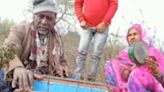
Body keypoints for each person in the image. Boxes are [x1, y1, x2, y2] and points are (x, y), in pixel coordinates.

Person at [2, 0, 70, 91]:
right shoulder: (21, 30)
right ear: (34, 17)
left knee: (75, 78)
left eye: (49, 18)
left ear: (54, 21)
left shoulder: (57, 39)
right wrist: (17, 67)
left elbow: (62, 60)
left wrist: (62, 67)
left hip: (46, 79)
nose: (44, 22)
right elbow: (8, 49)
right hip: (22, 78)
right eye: (40, 16)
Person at [105, 24, 164, 92]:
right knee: (110, 64)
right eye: (129, 35)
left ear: (141, 35)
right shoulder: (124, 54)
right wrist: (130, 70)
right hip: (129, 85)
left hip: (152, 86)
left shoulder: (154, 53)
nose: (132, 37)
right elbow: (123, 77)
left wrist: (158, 72)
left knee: (138, 73)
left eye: (135, 34)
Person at [72, 0, 118, 81]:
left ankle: (91, 78)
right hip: (86, 25)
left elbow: (114, 5)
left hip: (102, 27)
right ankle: (77, 77)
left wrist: (105, 22)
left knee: (96, 54)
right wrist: (81, 19)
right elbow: (78, 3)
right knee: (81, 51)